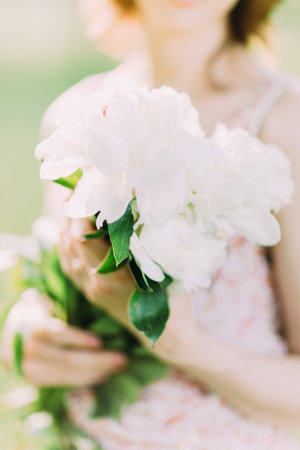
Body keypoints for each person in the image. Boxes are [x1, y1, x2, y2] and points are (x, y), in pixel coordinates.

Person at [2, 0, 300, 448]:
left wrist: (182, 343)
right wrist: (27, 336)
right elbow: (58, 282)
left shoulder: (282, 120)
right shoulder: (79, 115)